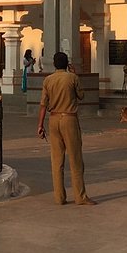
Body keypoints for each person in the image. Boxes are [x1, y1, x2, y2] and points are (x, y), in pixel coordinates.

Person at [36, 51, 95, 205]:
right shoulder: (72, 78)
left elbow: (43, 105)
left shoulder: (48, 80)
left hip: (53, 119)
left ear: (54, 64)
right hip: (69, 119)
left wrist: (40, 125)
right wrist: (76, 74)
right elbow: (81, 95)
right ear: (67, 63)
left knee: (57, 161)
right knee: (75, 159)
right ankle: (80, 196)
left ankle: (59, 197)